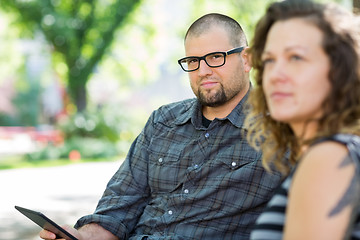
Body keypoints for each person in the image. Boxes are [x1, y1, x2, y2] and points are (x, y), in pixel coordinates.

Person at [40, 13, 282, 240]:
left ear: (246, 59)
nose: (203, 71)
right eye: (193, 61)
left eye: (216, 57)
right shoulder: (163, 121)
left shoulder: (280, 129)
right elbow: (116, 211)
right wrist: (80, 236)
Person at [244, 0, 360, 239]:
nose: (275, 75)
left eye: (296, 57)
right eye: (269, 61)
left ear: (340, 70)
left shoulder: (329, 156)